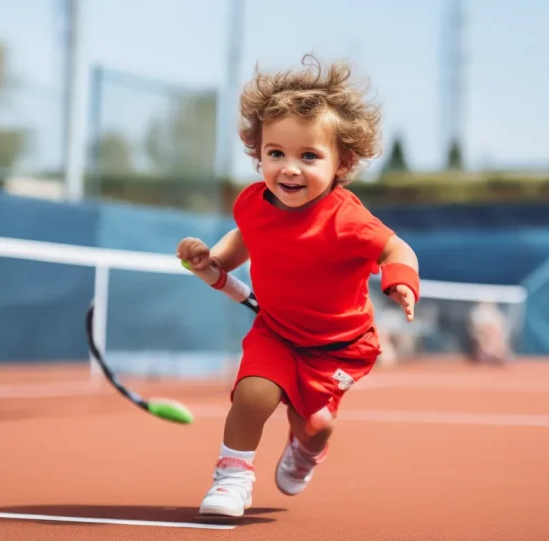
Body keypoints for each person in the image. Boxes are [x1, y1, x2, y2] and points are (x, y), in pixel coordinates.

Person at [176, 54, 420, 517]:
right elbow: (249, 235)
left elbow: (396, 249)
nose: (289, 168)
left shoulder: (348, 220)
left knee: (316, 425)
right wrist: (215, 259)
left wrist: (400, 280)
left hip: (338, 346)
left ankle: (307, 450)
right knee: (254, 393)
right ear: (258, 152)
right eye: (276, 153)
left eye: (309, 156)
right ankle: (233, 478)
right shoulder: (254, 202)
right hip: (277, 330)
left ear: (342, 161)